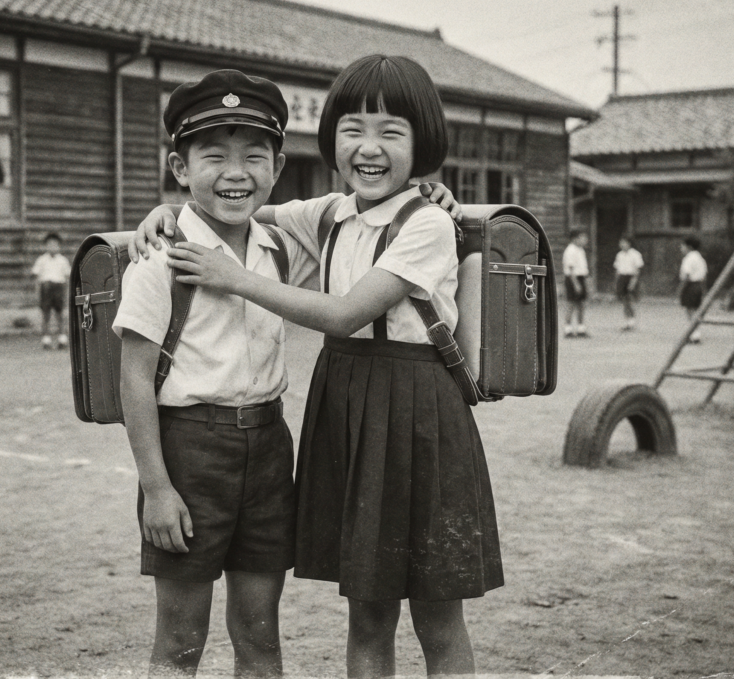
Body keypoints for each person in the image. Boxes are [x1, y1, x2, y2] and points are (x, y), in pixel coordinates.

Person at [141, 55, 500, 679]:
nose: (369, 148)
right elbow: (235, 208)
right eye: (352, 130)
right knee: (368, 613)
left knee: (438, 615)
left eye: (391, 133)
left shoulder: (429, 224)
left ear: (423, 143)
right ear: (330, 139)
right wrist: (165, 214)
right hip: (349, 410)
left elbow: (344, 314)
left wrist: (236, 279)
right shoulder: (331, 212)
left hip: (418, 414)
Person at [112, 69, 318, 677]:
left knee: (261, 636)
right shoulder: (159, 257)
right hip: (190, 452)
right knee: (180, 641)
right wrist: (156, 488)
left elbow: (363, 219)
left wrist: (438, 197)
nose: (236, 173)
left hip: (269, 446)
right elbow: (134, 380)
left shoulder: (282, 248)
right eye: (214, 157)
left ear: (277, 168)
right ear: (180, 168)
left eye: (255, 157)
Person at [31, 231, 71, 350]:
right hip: (46, 288)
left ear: (59, 246)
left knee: (60, 314)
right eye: (49, 245)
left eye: (55, 245)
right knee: (46, 314)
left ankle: (62, 339)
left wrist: (66, 292)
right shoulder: (42, 260)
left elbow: (67, 277)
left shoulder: (63, 260)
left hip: (59, 288)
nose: (52, 247)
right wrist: (37, 292)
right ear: (45, 246)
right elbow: (36, 276)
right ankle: (46, 339)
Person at [679, 235, 708, 343]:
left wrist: (681, 289)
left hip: (691, 285)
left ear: (689, 247)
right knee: (695, 310)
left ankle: (694, 334)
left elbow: (686, 275)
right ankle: (695, 332)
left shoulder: (689, 258)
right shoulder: (700, 258)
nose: (681, 248)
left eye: (683, 246)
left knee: (690, 310)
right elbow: (704, 275)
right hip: (699, 285)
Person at [562, 228, 590, 338]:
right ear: (575, 239)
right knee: (571, 303)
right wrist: (576, 284)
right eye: (582, 238)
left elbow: (583, 268)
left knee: (581, 304)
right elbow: (571, 268)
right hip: (573, 278)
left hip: (581, 277)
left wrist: (585, 281)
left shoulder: (581, 250)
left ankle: (580, 328)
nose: (585, 240)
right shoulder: (570, 250)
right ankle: (568, 329)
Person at [613, 235, 644, 331]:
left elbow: (637, 270)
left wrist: (633, 282)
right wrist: (616, 282)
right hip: (622, 277)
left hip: (631, 277)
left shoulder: (635, 254)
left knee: (630, 300)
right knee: (624, 301)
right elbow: (617, 269)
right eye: (621, 242)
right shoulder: (619, 255)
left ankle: (632, 321)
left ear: (629, 243)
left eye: (624, 242)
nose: (622, 244)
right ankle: (627, 321)